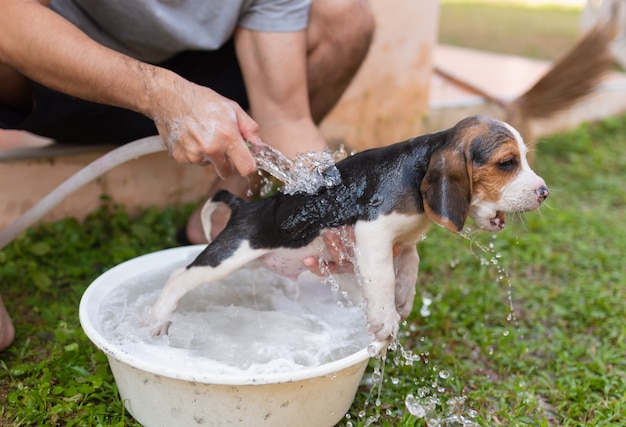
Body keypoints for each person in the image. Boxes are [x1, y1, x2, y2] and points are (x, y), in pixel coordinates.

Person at [0, 0, 375, 351]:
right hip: (55, 66)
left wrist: (334, 208)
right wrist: (160, 93)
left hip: (207, 79)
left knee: (344, 15)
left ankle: (223, 219)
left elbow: (284, 116)